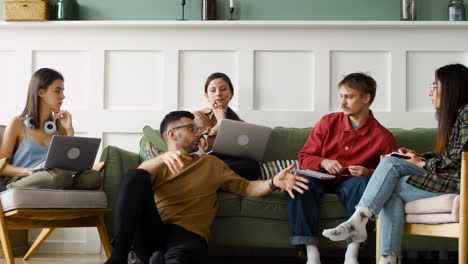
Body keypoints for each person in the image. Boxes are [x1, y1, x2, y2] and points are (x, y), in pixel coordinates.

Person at [105, 111, 310, 264]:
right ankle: (119, 255)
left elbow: (247, 188)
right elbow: (136, 181)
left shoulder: (211, 164)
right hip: (153, 230)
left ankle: (159, 259)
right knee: (134, 175)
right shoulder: (156, 165)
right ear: (172, 135)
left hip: (188, 235)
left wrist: (273, 182)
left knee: (179, 258)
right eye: (191, 128)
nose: (199, 132)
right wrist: (163, 159)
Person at [322, 64, 468, 264]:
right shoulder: (460, 115)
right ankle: (384, 254)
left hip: (460, 181)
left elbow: (460, 160)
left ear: (452, 87)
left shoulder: (467, 113)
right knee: (391, 166)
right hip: (452, 176)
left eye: (435, 86)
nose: (429, 92)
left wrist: (423, 164)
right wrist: (420, 158)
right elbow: (451, 156)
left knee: (389, 177)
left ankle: (373, 238)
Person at [286, 73, 398, 264]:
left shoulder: (383, 137)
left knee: (362, 184)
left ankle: (352, 252)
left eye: (349, 96)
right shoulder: (327, 122)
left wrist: (368, 172)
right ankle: (311, 253)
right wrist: (323, 162)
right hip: (319, 178)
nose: (343, 102)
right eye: (341, 97)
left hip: (351, 183)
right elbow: (304, 157)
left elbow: (390, 174)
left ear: (366, 98)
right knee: (299, 182)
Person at [0, 68, 101, 190]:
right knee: (59, 177)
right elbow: (2, 166)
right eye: (57, 91)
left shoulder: (59, 126)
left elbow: (70, 163)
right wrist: (30, 171)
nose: (62, 96)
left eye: (63, 91)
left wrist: (69, 130)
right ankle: (12, 188)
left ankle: (61, 187)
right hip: (25, 179)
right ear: (41, 92)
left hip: (57, 178)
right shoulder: (17, 123)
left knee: (93, 177)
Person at [194, 72, 260, 180]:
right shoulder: (198, 117)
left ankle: (219, 180)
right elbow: (203, 147)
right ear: (207, 96)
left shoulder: (240, 123)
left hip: (230, 163)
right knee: (206, 165)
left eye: (223, 89)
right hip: (208, 161)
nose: (218, 93)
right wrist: (221, 122)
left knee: (252, 166)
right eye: (213, 90)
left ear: (231, 94)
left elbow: (246, 152)